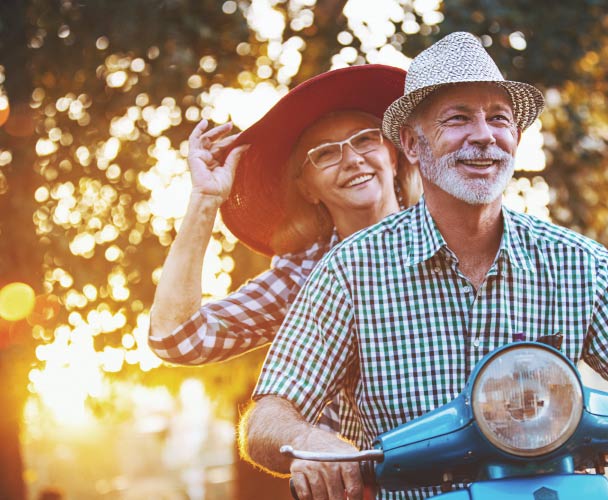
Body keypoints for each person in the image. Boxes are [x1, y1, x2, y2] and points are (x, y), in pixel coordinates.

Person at [242, 32, 608, 500]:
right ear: (413, 146)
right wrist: (312, 442)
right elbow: (268, 415)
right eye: (458, 118)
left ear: (516, 138)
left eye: (499, 118)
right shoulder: (350, 271)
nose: (483, 136)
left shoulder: (576, 262)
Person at [148, 64, 421, 432]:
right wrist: (205, 199)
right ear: (307, 188)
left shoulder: (451, 232)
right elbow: (177, 338)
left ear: (393, 153)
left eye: (365, 139)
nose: (352, 159)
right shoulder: (304, 278)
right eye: (325, 154)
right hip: (370, 476)